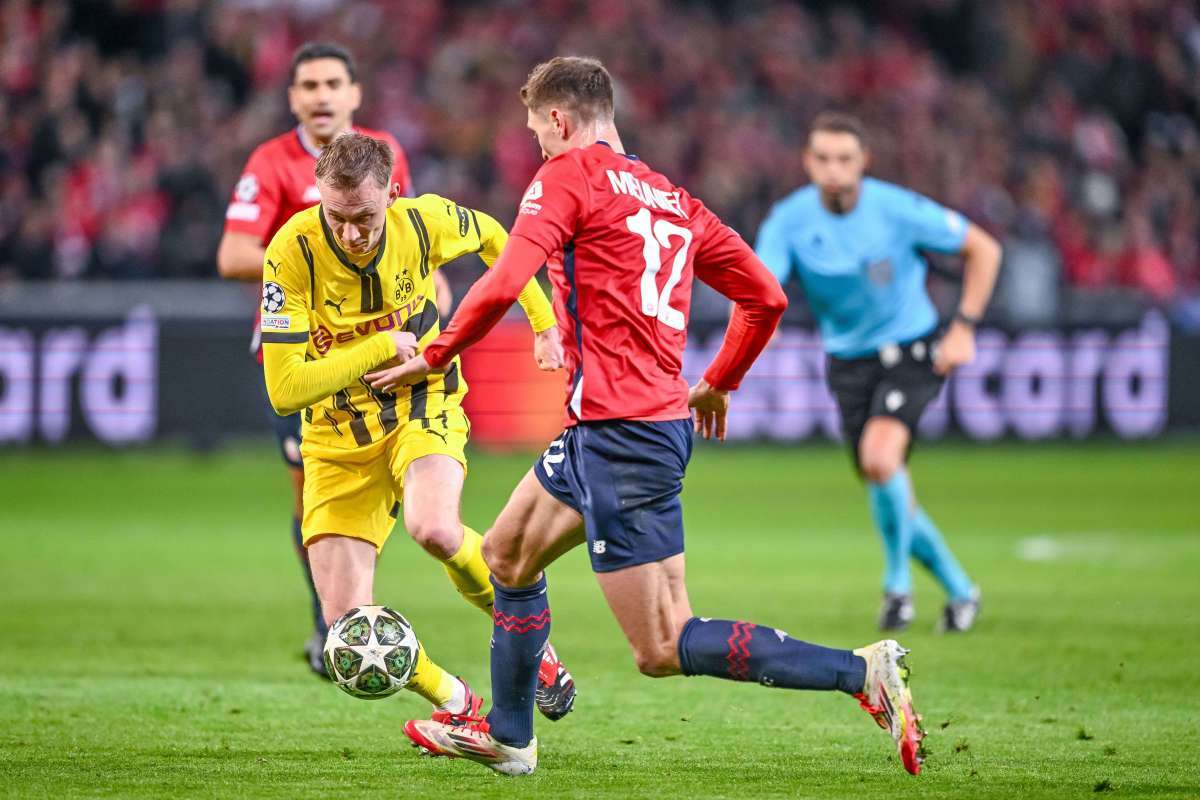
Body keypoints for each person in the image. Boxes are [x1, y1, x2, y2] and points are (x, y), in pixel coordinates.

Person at [368, 57, 925, 776]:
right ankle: (509, 735)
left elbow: (506, 280)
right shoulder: (672, 197)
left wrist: (436, 353)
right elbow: (766, 298)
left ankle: (860, 672)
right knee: (506, 555)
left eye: (537, 130)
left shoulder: (568, 176)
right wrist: (718, 382)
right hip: (616, 428)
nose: (537, 143)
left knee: (662, 645)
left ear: (559, 119)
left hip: (623, 438)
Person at [260, 131, 576, 721]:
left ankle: (533, 640)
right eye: (336, 217)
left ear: (393, 194)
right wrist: (380, 344)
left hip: (421, 404)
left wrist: (542, 321)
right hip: (335, 436)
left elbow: (496, 237)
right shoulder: (291, 252)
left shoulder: (423, 223)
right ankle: (458, 702)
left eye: (364, 217)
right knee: (348, 636)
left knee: (433, 528)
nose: (350, 234)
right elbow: (285, 391)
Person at [217, 42, 452, 675]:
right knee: (312, 495)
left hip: (382, 347)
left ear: (354, 94)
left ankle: (353, 617)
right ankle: (331, 624)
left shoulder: (385, 151)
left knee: (398, 479)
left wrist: (436, 294)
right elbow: (233, 254)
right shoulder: (270, 162)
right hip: (305, 354)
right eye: (309, 85)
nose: (321, 96)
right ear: (292, 98)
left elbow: (410, 233)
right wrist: (311, 253)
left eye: (332, 84)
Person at [754, 112, 1002, 632]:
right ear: (807, 162)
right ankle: (961, 591)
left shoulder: (897, 209)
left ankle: (897, 589)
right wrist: (760, 326)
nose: (834, 170)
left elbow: (985, 249)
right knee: (883, 479)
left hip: (910, 349)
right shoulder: (788, 220)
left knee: (880, 457)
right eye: (823, 159)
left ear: (863, 161)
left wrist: (964, 328)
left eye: (844, 159)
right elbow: (763, 286)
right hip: (847, 363)